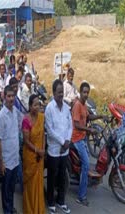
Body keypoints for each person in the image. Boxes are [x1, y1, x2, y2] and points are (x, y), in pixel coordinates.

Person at [71, 82, 107, 206]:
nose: (86, 94)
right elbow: (76, 124)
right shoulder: (77, 105)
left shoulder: (84, 105)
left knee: (85, 163)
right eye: (84, 92)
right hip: (76, 139)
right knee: (86, 164)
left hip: (82, 138)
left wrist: (101, 116)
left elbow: (88, 117)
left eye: (87, 92)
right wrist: (89, 130)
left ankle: (84, 181)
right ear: (80, 92)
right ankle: (81, 196)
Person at [45, 79, 72, 214]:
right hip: (54, 150)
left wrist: (67, 141)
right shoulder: (49, 108)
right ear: (54, 92)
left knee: (62, 176)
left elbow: (70, 126)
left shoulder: (67, 108)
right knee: (52, 177)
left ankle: (61, 201)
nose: (61, 94)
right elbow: (50, 130)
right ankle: (51, 202)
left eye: (62, 92)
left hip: (64, 150)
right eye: (59, 92)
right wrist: (63, 142)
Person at [0, 86, 20, 213]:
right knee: (5, 191)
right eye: (9, 96)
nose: (11, 98)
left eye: (13, 96)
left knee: (11, 188)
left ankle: (10, 209)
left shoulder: (15, 111)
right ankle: (7, 210)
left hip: (15, 158)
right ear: (4, 97)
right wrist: (1, 162)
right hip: (6, 161)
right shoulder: (1, 116)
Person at [22, 94, 45, 214]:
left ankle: (38, 209)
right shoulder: (26, 120)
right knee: (30, 186)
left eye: (38, 105)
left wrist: (43, 149)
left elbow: (42, 136)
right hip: (30, 156)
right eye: (35, 105)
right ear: (30, 106)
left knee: (38, 184)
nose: (37, 107)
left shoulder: (41, 117)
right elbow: (26, 141)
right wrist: (37, 150)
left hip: (40, 156)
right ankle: (30, 210)